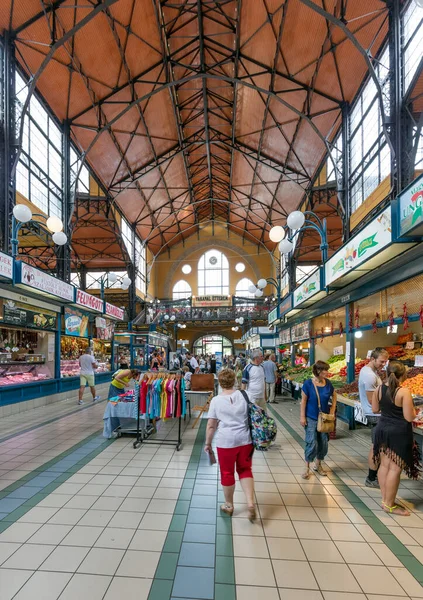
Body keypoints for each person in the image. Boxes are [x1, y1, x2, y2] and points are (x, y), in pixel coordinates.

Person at [205, 368, 256, 521]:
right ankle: (250, 503)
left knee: (227, 473)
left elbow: (211, 425)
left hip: (226, 442)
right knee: (245, 469)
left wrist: (208, 443)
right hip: (245, 440)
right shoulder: (246, 395)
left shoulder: (216, 401)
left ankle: (229, 505)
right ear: (235, 381)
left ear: (220, 383)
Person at [372, 361, 420, 516]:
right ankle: (390, 504)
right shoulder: (403, 392)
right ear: (403, 375)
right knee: (395, 469)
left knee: (384, 466)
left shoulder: (379, 388)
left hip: (382, 429)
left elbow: (375, 409)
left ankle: (385, 500)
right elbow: (408, 417)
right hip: (398, 433)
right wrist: (414, 410)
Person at [300, 360, 337, 479]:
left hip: (325, 419)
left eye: (327, 369)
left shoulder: (328, 383)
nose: (327, 372)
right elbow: (304, 401)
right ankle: (306, 467)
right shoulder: (308, 384)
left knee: (324, 442)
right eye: (324, 370)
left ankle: (318, 464)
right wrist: (302, 416)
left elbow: (334, 395)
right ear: (318, 371)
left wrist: (332, 411)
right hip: (311, 418)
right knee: (312, 442)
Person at [358, 347, 389, 488]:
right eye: (381, 362)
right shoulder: (369, 376)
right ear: (372, 359)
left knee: (378, 446)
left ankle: (375, 475)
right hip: (375, 415)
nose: (384, 364)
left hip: (376, 414)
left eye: (385, 362)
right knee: (377, 447)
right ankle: (371, 478)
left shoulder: (370, 371)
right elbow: (372, 400)